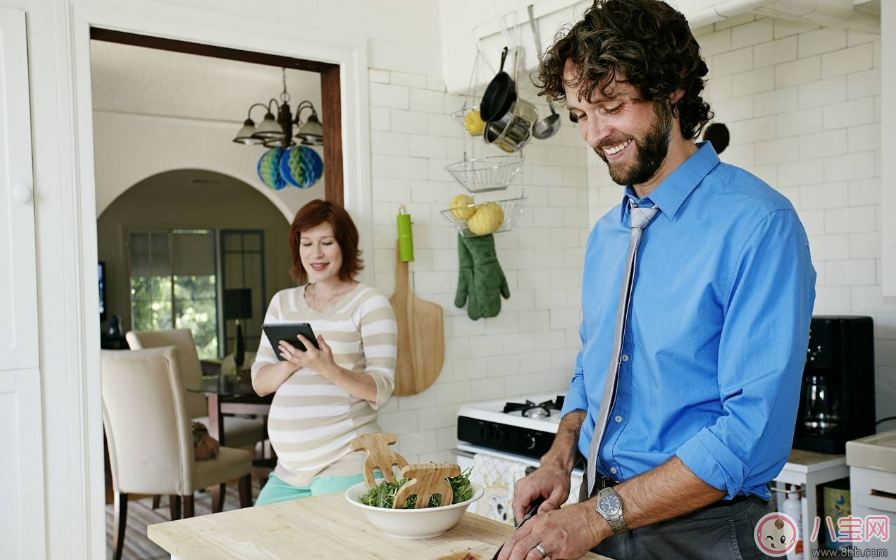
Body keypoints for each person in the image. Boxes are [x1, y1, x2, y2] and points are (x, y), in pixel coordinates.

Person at [499, 1, 816, 559]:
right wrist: (559, 457)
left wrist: (597, 516)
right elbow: (590, 369)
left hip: (706, 533)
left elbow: (749, 437)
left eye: (612, 107)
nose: (595, 134)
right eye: (579, 115)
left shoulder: (758, 224)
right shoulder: (607, 235)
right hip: (598, 522)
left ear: (671, 89)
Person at [251, 199, 398, 506]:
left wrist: (326, 367)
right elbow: (260, 383)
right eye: (307, 243)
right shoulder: (282, 303)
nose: (315, 254)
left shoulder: (370, 303)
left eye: (326, 242)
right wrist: (293, 362)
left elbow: (381, 388)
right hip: (289, 469)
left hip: (346, 460)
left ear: (344, 245)